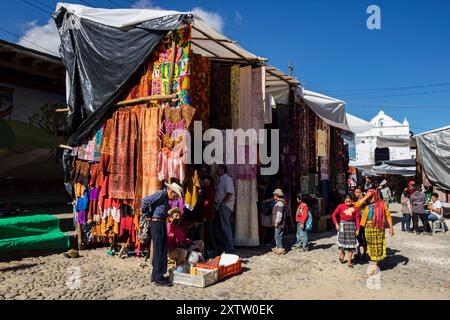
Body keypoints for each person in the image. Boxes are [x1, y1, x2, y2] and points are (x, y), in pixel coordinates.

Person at [141, 182, 183, 287]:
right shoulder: (161, 194)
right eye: (175, 195)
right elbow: (145, 201)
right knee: (159, 248)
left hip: (161, 222)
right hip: (157, 223)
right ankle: (158, 278)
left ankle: (156, 275)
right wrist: (147, 214)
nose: (175, 198)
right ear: (171, 191)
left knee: (161, 248)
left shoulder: (165, 197)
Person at [360, 189, 394, 275]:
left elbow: (388, 216)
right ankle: (376, 262)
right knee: (371, 247)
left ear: (375, 195)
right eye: (369, 197)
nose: (370, 199)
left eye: (371, 196)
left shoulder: (382, 205)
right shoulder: (366, 206)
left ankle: (375, 265)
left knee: (378, 246)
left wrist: (391, 228)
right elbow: (356, 205)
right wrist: (365, 197)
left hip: (379, 229)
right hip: (368, 229)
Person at [332, 195, 360, 268]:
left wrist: (357, 229)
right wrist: (336, 224)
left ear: (352, 201)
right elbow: (334, 215)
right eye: (347, 202)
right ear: (344, 201)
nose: (348, 203)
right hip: (342, 226)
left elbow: (357, 219)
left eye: (350, 201)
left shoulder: (355, 208)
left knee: (351, 245)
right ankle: (342, 253)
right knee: (342, 243)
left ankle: (349, 262)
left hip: (351, 227)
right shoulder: (340, 206)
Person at [215, 165, 235, 253]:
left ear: (222, 170)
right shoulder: (222, 179)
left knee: (225, 226)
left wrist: (223, 202)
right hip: (221, 204)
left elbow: (230, 192)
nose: (216, 170)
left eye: (218, 169)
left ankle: (230, 246)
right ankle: (224, 246)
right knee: (222, 226)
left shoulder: (227, 179)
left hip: (225, 205)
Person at [353, 187, 372, 261]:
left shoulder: (365, 199)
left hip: (364, 221)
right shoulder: (353, 200)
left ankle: (364, 253)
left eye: (359, 192)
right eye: (356, 192)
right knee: (357, 236)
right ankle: (358, 252)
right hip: (356, 221)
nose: (357, 194)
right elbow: (355, 206)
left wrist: (364, 198)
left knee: (364, 237)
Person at [200, 175, 217, 253]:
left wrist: (205, 216)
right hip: (209, 213)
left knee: (209, 231)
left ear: (209, 181)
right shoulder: (208, 188)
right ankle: (212, 247)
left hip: (208, 213)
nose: (204, 181)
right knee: (209, 230)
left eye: (205, 180)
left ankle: (214, 248)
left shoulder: (209, 189)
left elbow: (208, 204)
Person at [272, 188, 287, 255]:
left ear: (276, 195)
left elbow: (279, 214)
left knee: (278, 235)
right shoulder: (279, 202)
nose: (274, 196)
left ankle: (280, 248)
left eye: (274, 195)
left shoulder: (280, 203)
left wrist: (277, 222)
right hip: (279, 223)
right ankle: (278, 247)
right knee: (277, 235)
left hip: (279, 223)